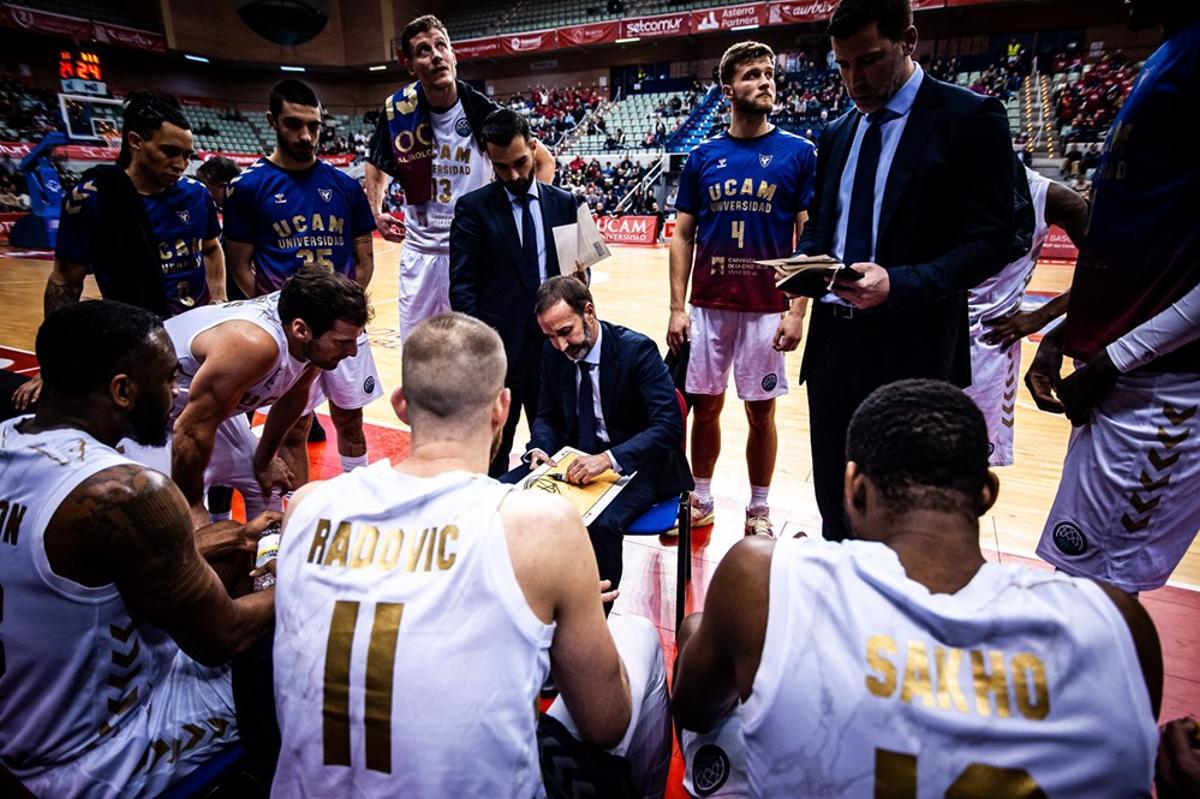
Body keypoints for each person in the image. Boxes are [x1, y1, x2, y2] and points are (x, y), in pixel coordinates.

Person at [672, 379, 1162, 797]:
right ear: (987, 494)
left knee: (703, 638)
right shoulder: (1116, 623)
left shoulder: (763, 576)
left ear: (854, 488)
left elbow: (693, 710)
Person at [270, 313, 670, 796]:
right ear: (502, 408)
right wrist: (570, 613)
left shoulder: (308, 506)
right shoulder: (541, 526)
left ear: (400, 406)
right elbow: (607, 723)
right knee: (638, 634)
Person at [0, 300, 276, 797]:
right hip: (90, 754)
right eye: (168, 380)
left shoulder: (9, 440)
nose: (174, 394)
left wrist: (222, 538)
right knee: (290, 669)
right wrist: (311, 567)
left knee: (235, 550)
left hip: (16, 723)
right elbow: (223, 636)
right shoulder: (126, 492)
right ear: (123, 390)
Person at [791, 0, 1017, 540]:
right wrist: (807, 263)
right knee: (837, 504)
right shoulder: (837, 132)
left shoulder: (970, 117)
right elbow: (826, 226)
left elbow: (995, 239)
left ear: (908, 40)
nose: (853, 80)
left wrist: (903, 283)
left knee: (908, 512)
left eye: (868, 61)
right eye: (842, 65)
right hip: (832, 349)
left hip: (914, 347)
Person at [1025, 0, 1200, 593]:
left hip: (1169, 386)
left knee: (1107, 593)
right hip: (1119, 377)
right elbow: (1140, 240)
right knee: (1082, 578)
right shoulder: (1166, 55)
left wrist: (1117, 356)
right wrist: (1067, 332)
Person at [667, 41, 816, 537]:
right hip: (708, 306)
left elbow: (808, 236)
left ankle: (758, 509)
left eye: (769, 73)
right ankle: (701, 498)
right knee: (704, 408)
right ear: (728, 89)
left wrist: (797, 311)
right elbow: (682, 234)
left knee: (761, 412)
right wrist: (676, 308)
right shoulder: (703, 156)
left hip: (766, 307)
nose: (766, 82)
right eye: (752, 75)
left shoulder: (799, 153)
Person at [12, 91, 226, 411]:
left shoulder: (196, 194)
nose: (181, 164)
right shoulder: (92, 198)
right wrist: (53, 366)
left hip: (194, 335)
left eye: (187, 154)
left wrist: (219, 297)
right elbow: (64, 283)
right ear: (136, 141)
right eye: (170, 152)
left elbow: (212, 248)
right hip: (131, 341)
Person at [222, 80, 382, 481]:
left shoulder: (345, 186)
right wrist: (281, 318)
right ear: (272, 121)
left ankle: (354, 500)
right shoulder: (247, 188)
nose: (306, 136)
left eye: (314, 125)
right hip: (290, 332)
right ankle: (296, 511)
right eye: (294, 125)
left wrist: (344, 315)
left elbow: (364, 258)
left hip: (343, 325)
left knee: (350, 420)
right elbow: (239, 265)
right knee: (293, 428)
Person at [363, 14, 555, 342]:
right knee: (418, 348)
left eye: (442, 46)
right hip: (421, 252)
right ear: (409, 65)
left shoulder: (481, 110)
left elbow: (542, 159)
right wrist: (376, 210)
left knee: (474, 348)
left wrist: (528, 214)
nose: (436, 55)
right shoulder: (398, 111)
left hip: (473, 250)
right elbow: (376, 162)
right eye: (424, 51)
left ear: (454, 55)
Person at [135, 268, 370, 529]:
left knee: (266, 482)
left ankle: (263, 563)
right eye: (342, 342)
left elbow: (294, 397)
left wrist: (265, 460)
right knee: (173, 517)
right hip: (143, 408)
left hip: (196, 408)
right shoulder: (254, 345)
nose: (351, 351)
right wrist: (191, 503)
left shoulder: (309, 337)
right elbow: (190, 430)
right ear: (301, 330)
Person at [508, 276, 692, 593]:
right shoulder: (553, 353)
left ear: (589, 312)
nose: (561, 345)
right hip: (574, 461)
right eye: (550, 336)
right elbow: (547, 415)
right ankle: (527, 599)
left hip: (635, 466)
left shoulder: (637, 350)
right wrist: (538, 448)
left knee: (601, 525)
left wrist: (607, 459)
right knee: (500, 495)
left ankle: (593, 621)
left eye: (566, 332)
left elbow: (669, 426)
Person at [450, 108, 584, 477]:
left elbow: (579, 285)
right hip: (499, 353)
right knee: (492, 453)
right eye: (501, 167)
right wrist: (480, 350)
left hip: (555, 350)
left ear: (534, 147)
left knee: (560, 446)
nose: (512, 174)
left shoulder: (566, 203)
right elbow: (462, 288)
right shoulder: (472, 208)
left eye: (520, 163)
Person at [965, 165, 1087, 466]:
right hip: (923, 336)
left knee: (969, 463)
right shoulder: (935, 178)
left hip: (988, 345)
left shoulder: (1052, 196)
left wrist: (1042, 317)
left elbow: (1110, 268)